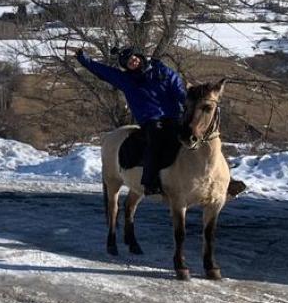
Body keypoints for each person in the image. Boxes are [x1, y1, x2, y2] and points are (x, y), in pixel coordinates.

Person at [76, 46, 247, 198]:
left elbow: (177, 87)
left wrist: (187, 104)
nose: (133, 62)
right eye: (129, 62)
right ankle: (150, 181)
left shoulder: (160, 70)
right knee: (155, 141)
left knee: (204, 138)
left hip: (175, 115)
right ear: (126, 66)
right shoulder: (126, 80)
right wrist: (83, 59)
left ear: (139, 56)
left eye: (134, 58)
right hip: (152, 120)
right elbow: (103, 72)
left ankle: (226, 180)